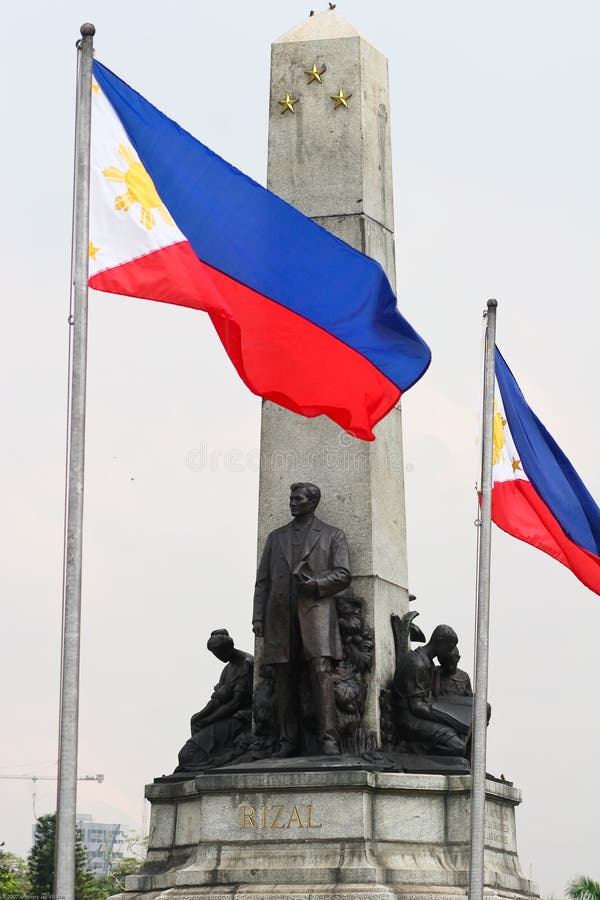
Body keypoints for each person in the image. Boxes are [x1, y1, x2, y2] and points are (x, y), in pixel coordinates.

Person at [253, 483, 351, 757]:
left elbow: (343, 574)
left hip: (316, 615)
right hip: (280, 617)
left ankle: (329, 739)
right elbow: (263, 581)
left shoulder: (333, 535)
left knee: (321, 675)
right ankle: (287, 741)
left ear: (312, 502)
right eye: (291, 498)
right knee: (283, 678)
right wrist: (257, 617)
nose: (292, 503)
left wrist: (315, 583)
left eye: (298, 499)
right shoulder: (276, 537)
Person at [175, 629, 254, 771]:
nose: (218, 657)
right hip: (227, 715)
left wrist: (209, 719)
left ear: (228, 648)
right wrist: (200, 715)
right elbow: (218, 699)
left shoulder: (246, 664)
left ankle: (210, 760)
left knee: (187, 755)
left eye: (219, 653)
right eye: (215, 654)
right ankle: (206, 758)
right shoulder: (227, 668)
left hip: (241, 719)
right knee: (195, 722)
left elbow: (235, 703)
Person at [392, 624, 467, 757]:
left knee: (466, 730)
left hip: (421, 715)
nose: (450, 652)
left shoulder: (428, 663)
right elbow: (417, 707)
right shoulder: (416, 663)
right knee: (458, 746)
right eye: (449, 648)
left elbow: (432, 698)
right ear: (440, 642)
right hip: (409, 721)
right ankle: (411, 750)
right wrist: (451, 720)